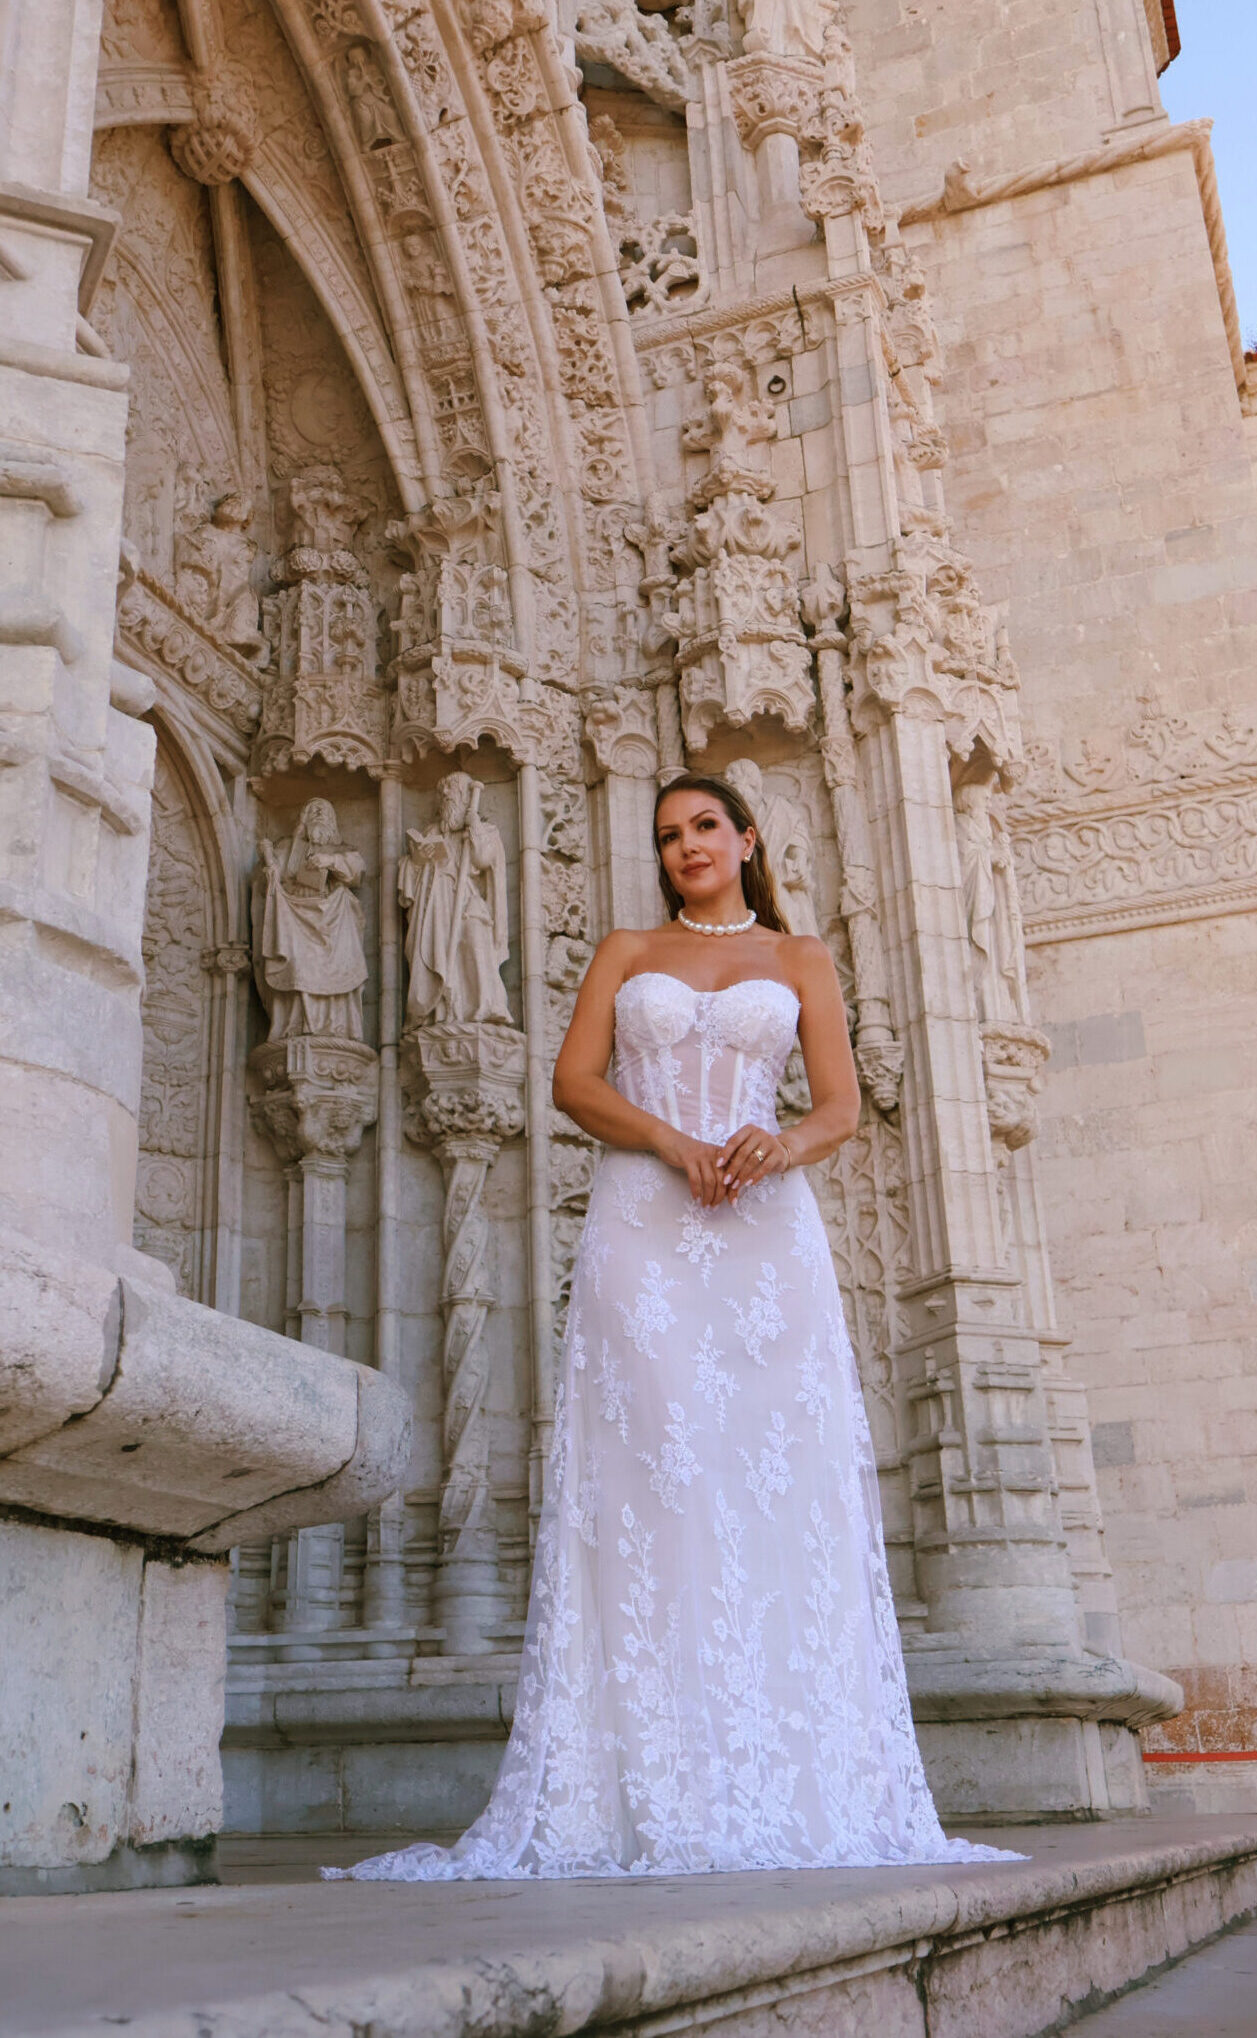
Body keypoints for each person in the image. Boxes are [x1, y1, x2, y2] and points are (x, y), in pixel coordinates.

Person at [325, 772, 1014, 1880]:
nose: (686, 846)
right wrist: (668, 1140)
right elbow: (573, 1082)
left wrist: (776, 1145)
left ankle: (792, 1781)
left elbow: (838, 1105)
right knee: (654, 1479)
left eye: (703, 827)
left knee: (775, 1486)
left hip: (764, 1237)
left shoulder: (801, 958)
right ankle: (650, 1781)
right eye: (667, 835)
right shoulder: (626, 950)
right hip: (643, 1229)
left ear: (746, 839)